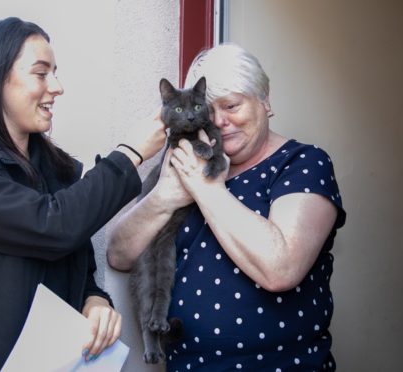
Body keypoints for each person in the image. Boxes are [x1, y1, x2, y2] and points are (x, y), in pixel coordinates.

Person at [0, 17, 166, 371]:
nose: (57, 87)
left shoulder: (61, 172)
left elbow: (77, 266)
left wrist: (94, 300)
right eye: (41, 74)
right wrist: (130, 154)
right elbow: (50, 226)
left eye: (55, 72)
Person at [107, 42, 346, 371]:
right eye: (209, 108)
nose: (219, 121)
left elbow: (281, 269)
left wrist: (205, 189)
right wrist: (166, 194)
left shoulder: (302, 164)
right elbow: (119, 254)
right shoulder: (182, 167)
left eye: (232, 105)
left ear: (265, 100)